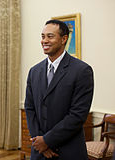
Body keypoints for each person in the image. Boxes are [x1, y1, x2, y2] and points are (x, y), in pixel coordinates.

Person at [24, 19, 94, 160]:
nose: (44, 41)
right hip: (40, 153)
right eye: (43, 36)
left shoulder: (82, 71)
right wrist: (40, 144)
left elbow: (77, 116)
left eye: (50, 36)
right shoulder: (34, 71)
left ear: (64, 39)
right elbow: (29, 108)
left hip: (68, 151)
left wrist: (47, 141)